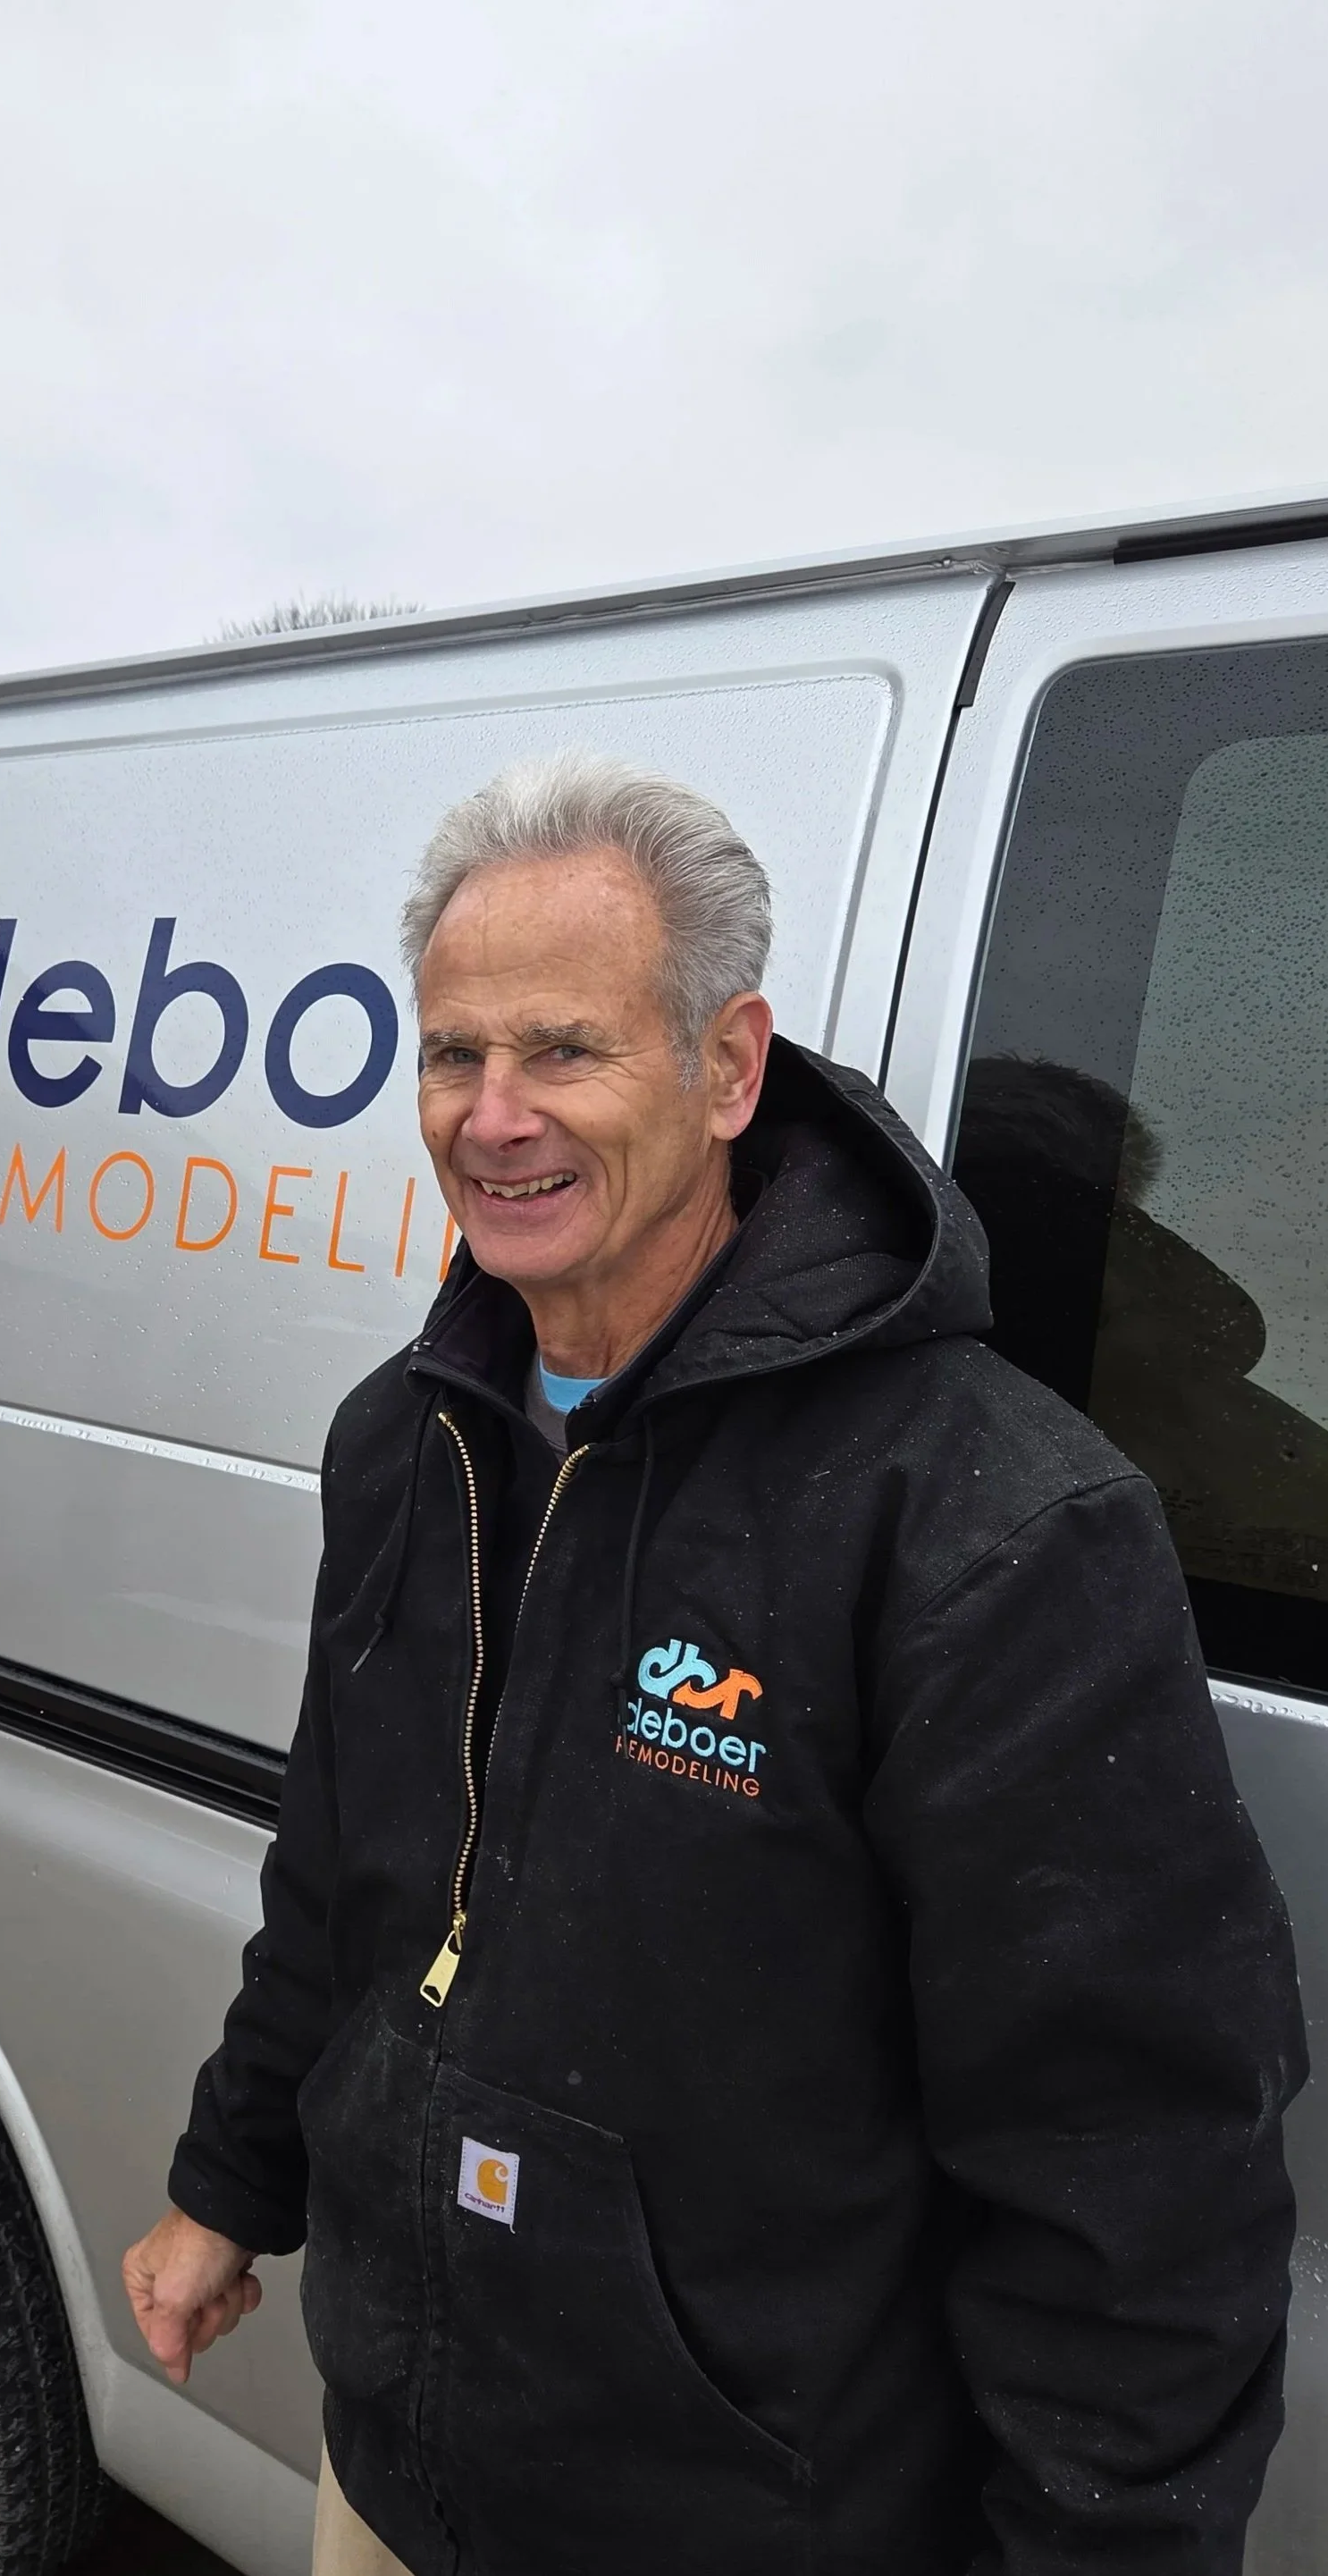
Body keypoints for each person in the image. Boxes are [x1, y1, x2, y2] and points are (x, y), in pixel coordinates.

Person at [122, 752, 1306, 2576]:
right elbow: (343, 1890)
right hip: (398, 2480)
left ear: (729, 1066)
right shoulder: (409, 1441)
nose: (491, 1115)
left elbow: (1129, 2179)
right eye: (453, 1052)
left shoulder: (987, 1525)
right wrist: (228, 2184)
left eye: (564, 1049)